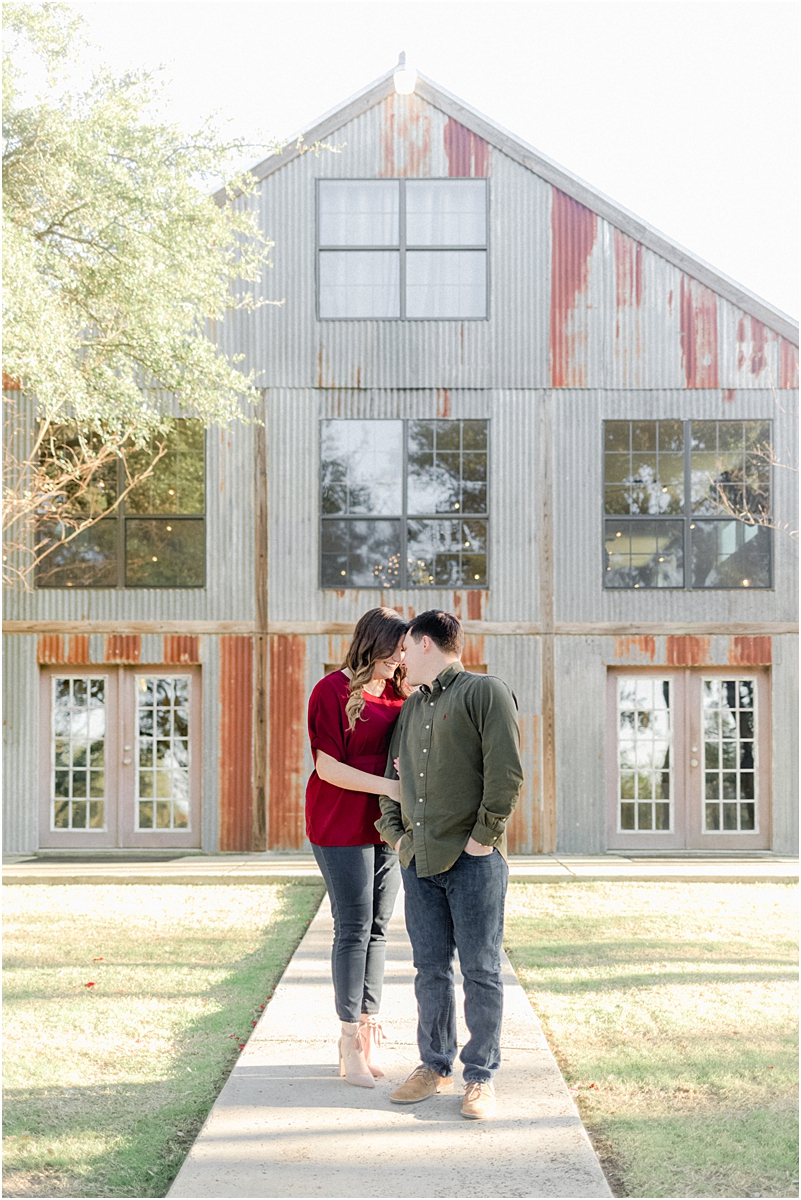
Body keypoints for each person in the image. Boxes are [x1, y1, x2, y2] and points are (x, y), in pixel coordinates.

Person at [376, 609, 524, 1120]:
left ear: (423, 645)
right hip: (420, 861)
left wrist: (483, 840)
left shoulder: (485, 692)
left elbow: (506, 773)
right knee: (429, 971)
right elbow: (392, 783)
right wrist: (397, 837)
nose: (399, 659)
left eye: (404, 649)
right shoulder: (411, 709)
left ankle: (479, 1077)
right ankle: (433, 1066)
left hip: (474, 863)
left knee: (481, 971)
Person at [306, 606, 409, 1089]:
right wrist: (388, 789)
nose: (401, 657)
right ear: (374, 643)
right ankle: (348, 1040)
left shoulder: (399, 693)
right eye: (396, 648)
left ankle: (369, 1031)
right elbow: (328, 767)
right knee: (352, 926)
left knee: (379, 928)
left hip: (384, 825)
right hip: (338, 820)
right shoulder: (329, 690)